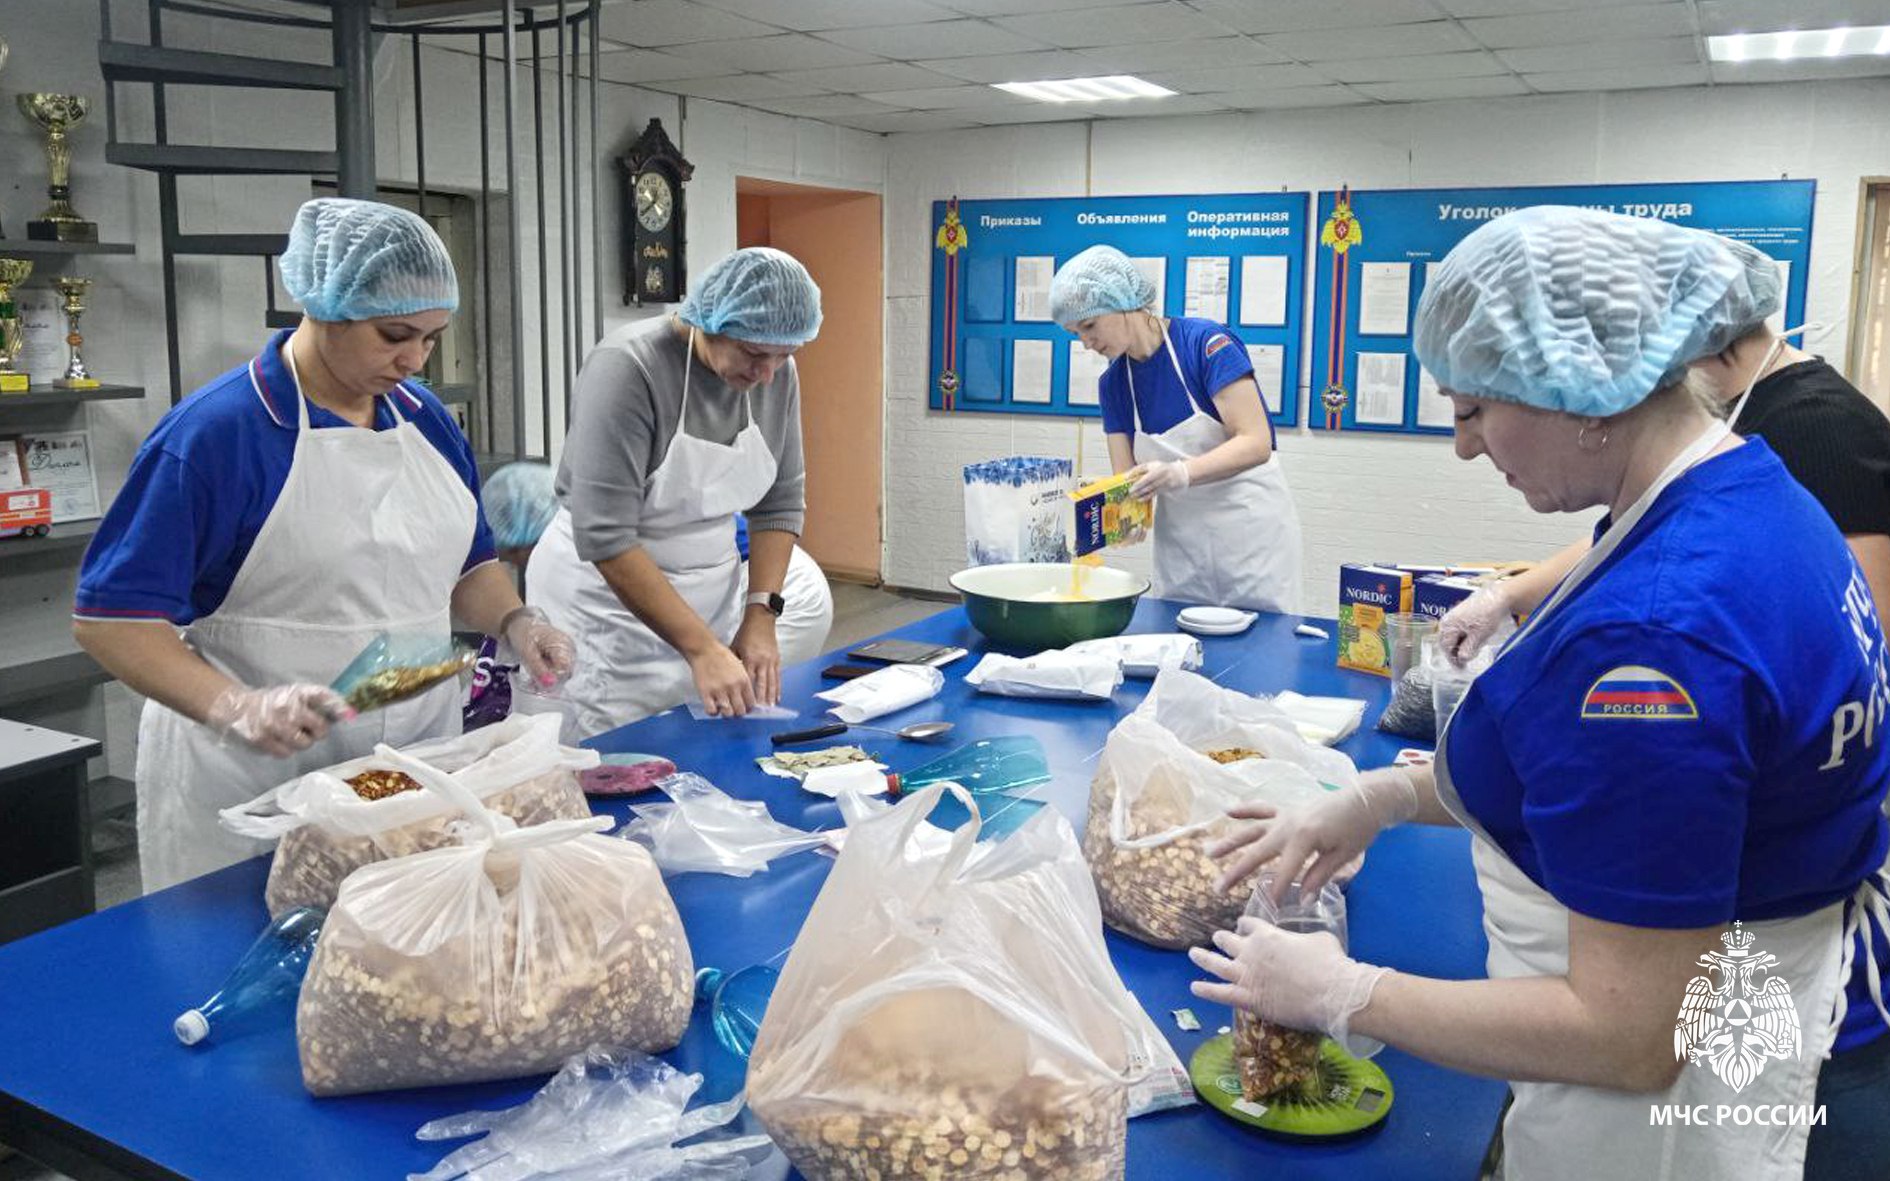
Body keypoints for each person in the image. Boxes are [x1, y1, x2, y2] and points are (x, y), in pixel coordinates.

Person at [1192, 207, 1890, 1180]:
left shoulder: (1657, 644)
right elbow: (1612, 775)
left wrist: (1347, 992)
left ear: (1583, 392)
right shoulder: (1743, 496)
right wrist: (1387, 796)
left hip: (1652, 1112)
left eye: (1475, 410)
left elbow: (1625, 1032)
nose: (1464, 447)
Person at [73, 198, 574, 892]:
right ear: (324, 305)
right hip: (254, 775)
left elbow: (468, 567)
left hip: (403, 762)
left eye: (432, 337)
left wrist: (518, 620)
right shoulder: (218, 434)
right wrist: (236, 707)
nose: (415, 359)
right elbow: (111, 619)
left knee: (392, 968)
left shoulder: (425, 420)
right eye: (395, 334)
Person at [1438, 318, 1890, 666]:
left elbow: (1864, 632)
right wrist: (1510, 594)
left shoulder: (1824, 427)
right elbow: (1642, 526)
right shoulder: (1733, 418)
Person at [529, 247, 820, 735]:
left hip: (708, 599)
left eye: (783, 356)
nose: (766, 375)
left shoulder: (775, 375)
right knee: (612, 758)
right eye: (753, 354)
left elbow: (780, 504)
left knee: (701, 749)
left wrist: (760, 613)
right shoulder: (628, 367)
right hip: (608, 607)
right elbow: (606, 534)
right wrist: (701, 648)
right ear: (710, 322)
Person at [1049, 244, 1302, 613]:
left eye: (1089, 325)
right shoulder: (1114, 385)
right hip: (1182, 548)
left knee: (1261, 648)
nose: (1086, 343)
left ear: (1123, 302)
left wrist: (1179, 473)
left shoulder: (1205, 344)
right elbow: (1128, 481)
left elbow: (1256, 441)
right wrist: (1118, 514)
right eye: (1075, 334)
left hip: (1250, 536)